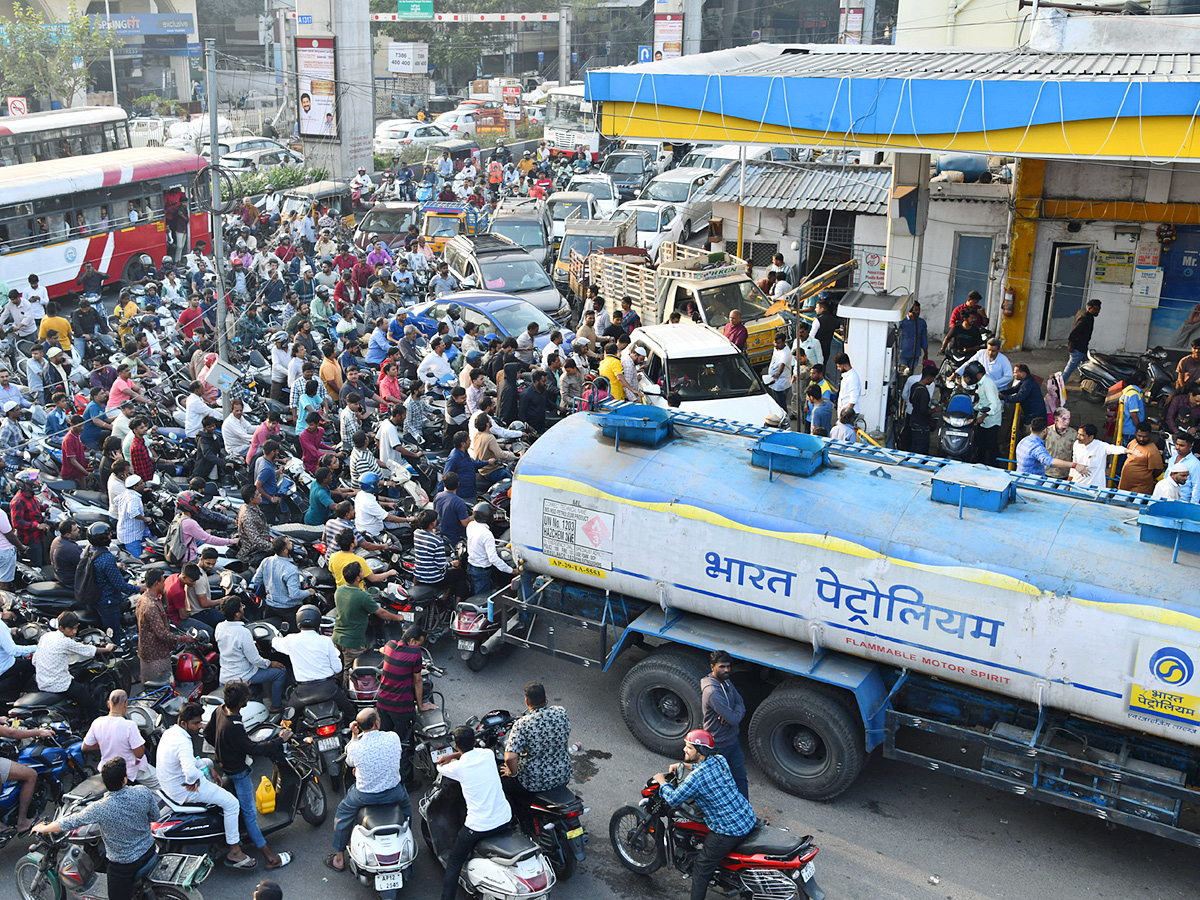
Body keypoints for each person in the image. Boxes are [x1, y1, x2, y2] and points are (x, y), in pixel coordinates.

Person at [34, 757, 160, 900]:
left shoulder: (100, 808)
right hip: (149, 850)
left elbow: (70, 822)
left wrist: (45, 828)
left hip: (124, 865)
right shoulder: (142, 791)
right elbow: (154, 817)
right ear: (124, 780)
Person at [653, 729, 757, 900]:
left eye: (689, 748)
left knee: (701, 868)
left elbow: (672, 799)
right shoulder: (719, 760)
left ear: (700, 751)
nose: (684, 750)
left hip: (729, 831)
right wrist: (683, 765)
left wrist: (662, 781)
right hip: (746, 817)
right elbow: (701, 767)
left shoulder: (696, 778)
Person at [204, 680, 293, 870]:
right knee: (250, 815)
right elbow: (253, 749)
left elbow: (209, 734)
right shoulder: (234, 726)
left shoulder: (220, 710)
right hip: (238, 772)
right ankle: (270, 858)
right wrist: (279, 740)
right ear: (241, 702)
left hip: (224, 765)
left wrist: (223, 750)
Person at [157, 702, 255, 869]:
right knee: (232, 803)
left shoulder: (171, 733)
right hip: (184, 790)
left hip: (170, 785)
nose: (200, 726)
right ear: (184, 724)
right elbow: (190, 772)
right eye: (196, 723)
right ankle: (235, 850)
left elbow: (189, 763)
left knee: (207, 761)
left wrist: (207, 768)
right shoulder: (183, 741)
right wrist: (197, 778)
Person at [326, 708, 411, 873]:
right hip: (394, 792)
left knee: (343, 814)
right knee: (407, 809)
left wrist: (354, 736)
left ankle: (338, 858)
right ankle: (405, 839)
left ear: (358, 725)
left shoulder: (355, 747)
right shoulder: (393, 738)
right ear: (377, 722)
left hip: (365, 796)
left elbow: (350, 762)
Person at [436, 724, 514, 900]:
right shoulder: (487, 755)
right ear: (473, 741)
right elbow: (475, 751)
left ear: (456, 746)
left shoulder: (457, 768)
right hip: (505, 819)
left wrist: (448, 756)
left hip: (478, 827)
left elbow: (440, 766)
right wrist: (457, 754)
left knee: (455, 861)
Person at [502, 681, 571, 826]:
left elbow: (510, 757)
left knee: (504, 782)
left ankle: (521, 819)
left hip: (534, 782)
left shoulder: (522, 724)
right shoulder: (560, 712)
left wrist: (512, 773)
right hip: (563, 774)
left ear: (527, 701)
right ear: (545, 697)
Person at [273, 605, 355, 722]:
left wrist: (275, 636)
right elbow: (338, 669)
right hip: (328, 690)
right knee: (350, 713)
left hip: (303, 693)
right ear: (317, 621)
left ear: (298, 621)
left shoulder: (290, 640)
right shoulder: (326, 641)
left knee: (287, 721)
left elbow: (274, 642)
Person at [379, 625, 437, 785]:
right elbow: (418, 680)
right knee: (404, 744)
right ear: (412, 641)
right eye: (418, 643)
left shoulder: (390, 645)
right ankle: (407, 782)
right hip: (401, 707)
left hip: (382, 703)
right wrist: (422, 705)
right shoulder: (415, 653)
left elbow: (382, 650)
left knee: (385, 740)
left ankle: (384, 773)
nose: (419, 647)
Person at [333, 560, 406, 673]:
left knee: (339, 667)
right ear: (358, 578)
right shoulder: (362, 596)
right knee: (351, 671)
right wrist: (398, 617)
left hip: (337, 637)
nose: (364, 572)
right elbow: (382, 613)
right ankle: (347, 690)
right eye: (361, 571)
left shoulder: (339, 590)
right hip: (353, 641)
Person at [216, 598, 286, 713]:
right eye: (241, 606)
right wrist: (270, 663)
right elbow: (255, 660)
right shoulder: (243, 632)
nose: (243, 608)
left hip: (225, 677)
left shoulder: (219, 627)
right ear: (238, 614)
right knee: (281, 672)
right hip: (243, 676)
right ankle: (276, 706)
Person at [35, 609, 115, 711]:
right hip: (58, 684)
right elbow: (87, 650)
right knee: (91, 704)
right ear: (61, 628)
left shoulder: (46, 636)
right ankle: (92, 721)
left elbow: (35, 660)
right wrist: (107, 649)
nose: (74, 631)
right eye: (71, 629)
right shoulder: (65, 642)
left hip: (41, 682)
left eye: (76, 628)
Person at [82, 689, 159, 790]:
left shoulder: (97, 722)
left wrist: (102, 743)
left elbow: (85, 746)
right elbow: (139, 754)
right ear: (125, 704)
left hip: (107, 769)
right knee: (160, 782)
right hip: (129, 770)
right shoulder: (129, 725)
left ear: (108, 704)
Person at [700, 650, 748, 798]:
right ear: (712, 666)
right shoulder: (713, 692)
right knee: (716, 785)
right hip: (718, 746)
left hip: (732, 742)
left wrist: (732, 711)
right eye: (722, 667)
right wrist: (732, 714)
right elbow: (734, 719)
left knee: (740, 779)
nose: (726, 670)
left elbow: (740, 703)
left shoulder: (726, 682)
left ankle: (744, 813)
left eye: (728, 666)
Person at [252, 536, 315, 618]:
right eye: (289, 543)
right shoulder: (291, 570)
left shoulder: (266, 561)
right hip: (288, 610)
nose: (291, 544)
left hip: (270, 607)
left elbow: (257, 580)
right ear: (285, 551)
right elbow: (294, 595)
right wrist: (309, 592)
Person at [962, 360, 1003, 467]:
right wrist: (972, 406)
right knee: (980, 445)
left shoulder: (987, 383)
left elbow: (994, 404)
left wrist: (983, 417)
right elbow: (983, 401)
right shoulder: (982, 383)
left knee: (991, 447)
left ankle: (995, 468)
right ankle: (980, 465)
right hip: (984, 419)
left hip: (990, 421)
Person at [465, 503, 512, 596]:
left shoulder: (471, 525)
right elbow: (493, 559)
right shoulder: (487, 534)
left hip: (471, 566)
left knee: (473, 592)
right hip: (482, 571)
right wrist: (510, 570)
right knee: (480, 598)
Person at [1016, 418, 1088, 477]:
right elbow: (1049, 461)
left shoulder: (1023, 441)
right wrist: (1074, 465)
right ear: (1045, 430)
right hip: (1031, 483)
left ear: (1031, 429)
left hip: (1020, 478)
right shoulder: (1037, 447)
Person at [1070, 423, 1127, 490]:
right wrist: (1069, 482)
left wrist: (1127, 450)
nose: (1078, 437)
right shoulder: (1077, 444)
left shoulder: (1100, 446)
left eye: (1082, 435)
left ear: (1091, 437)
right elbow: (1074, 463)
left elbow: (1113, 449)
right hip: (1076, 485)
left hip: (1095, 489)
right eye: (1078, 434)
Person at [1061, 299, 1101, 383]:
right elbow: (1074, 332)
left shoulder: (1084, 313)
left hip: (1083, 347)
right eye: (1096, 310)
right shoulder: (1085, 318)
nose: (1098, 312)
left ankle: (1084, 382)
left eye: (1099, 309)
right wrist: (1071, 345)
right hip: (1077, 348)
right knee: (1070, 368)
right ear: (1090, 308)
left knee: (1087, 366)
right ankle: (1059, 385)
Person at [1118, 424, 1165, 495]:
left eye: (1145, 437)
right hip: (1125, 484)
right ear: (1135, 433)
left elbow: (1158, 470)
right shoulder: (1133, 442)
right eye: (1139, 436)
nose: (1141, 439)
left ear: (1150, 435)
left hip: (1140, 488)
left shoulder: (1153, 451)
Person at [1000, 364, 1046, 428]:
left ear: (1023, 373)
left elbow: (1018, 397)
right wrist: (1002, 393)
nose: (1014, 374)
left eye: (1015, 372)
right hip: (1032, 413)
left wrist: (1003, 397)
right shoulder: (1026, 379)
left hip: (1033, 416)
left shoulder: (1027, 383)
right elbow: (1015, 389)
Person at [1167, 432, 1200, 503]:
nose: (1178, 447)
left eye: (1181, 445)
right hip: (1167, 497)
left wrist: (1192, 506)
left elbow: (1197, 486)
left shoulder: (1195, 463)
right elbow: (1167, 476)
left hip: (1182, 501)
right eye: (1177, 444)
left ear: (1190, 446)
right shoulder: (1173, 457)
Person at [765, 331, 793, 413]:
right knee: (775, 403)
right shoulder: (777, 348)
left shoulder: (786, 353)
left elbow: (782, 364)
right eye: (775, 343)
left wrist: (778, 373)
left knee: (781, 404)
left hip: (781, 383)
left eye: (778, 343)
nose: (776, 345)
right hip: (773, 381)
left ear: (784, 342)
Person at [897, 301, 927, 372]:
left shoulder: (921, 323)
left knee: (911, 373)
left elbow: (924, 338)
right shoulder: (902, 322)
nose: (918, 312)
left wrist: (926, 353)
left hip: (915, 354)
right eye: (916, 310)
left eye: (919, 310)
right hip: (903, 353)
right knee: (902, 373)